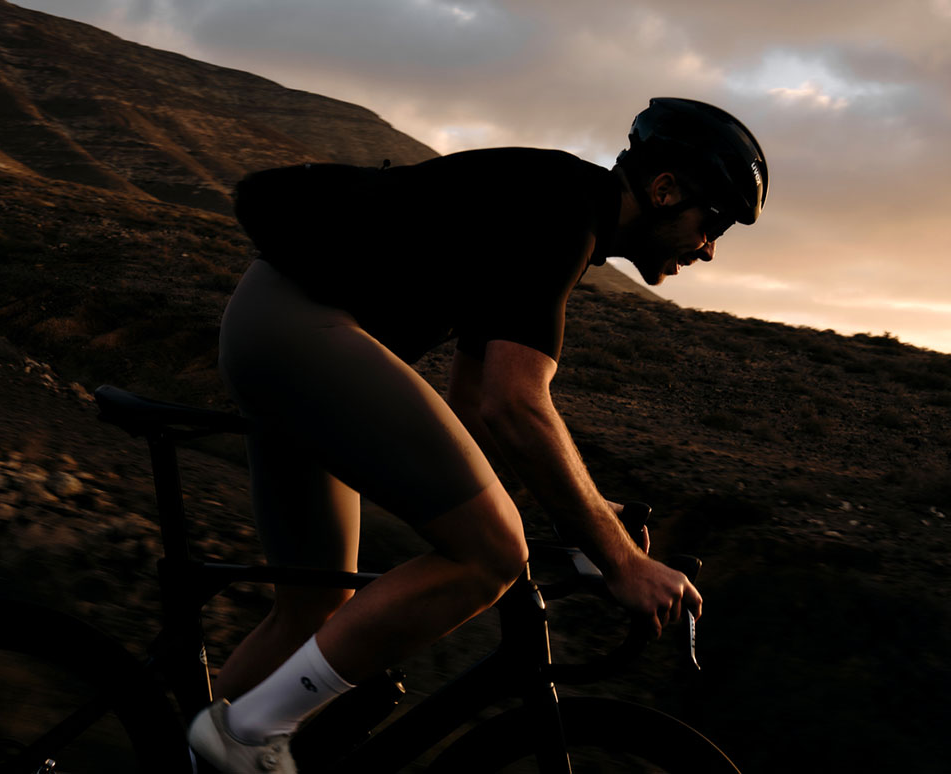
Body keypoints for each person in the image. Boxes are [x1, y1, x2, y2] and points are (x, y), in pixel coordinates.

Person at [189, 97, 768, 772]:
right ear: (666, 189)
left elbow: (471, 408)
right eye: (714, 221)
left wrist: (584, 517)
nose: (710, 247)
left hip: (277, 333)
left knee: (313, 604)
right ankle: (248, 734)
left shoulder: (551, 206)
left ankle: (202, 759)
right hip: (299, 334)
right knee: (492, 555)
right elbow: (514, 406)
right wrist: (621, 560)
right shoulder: (563, 214)